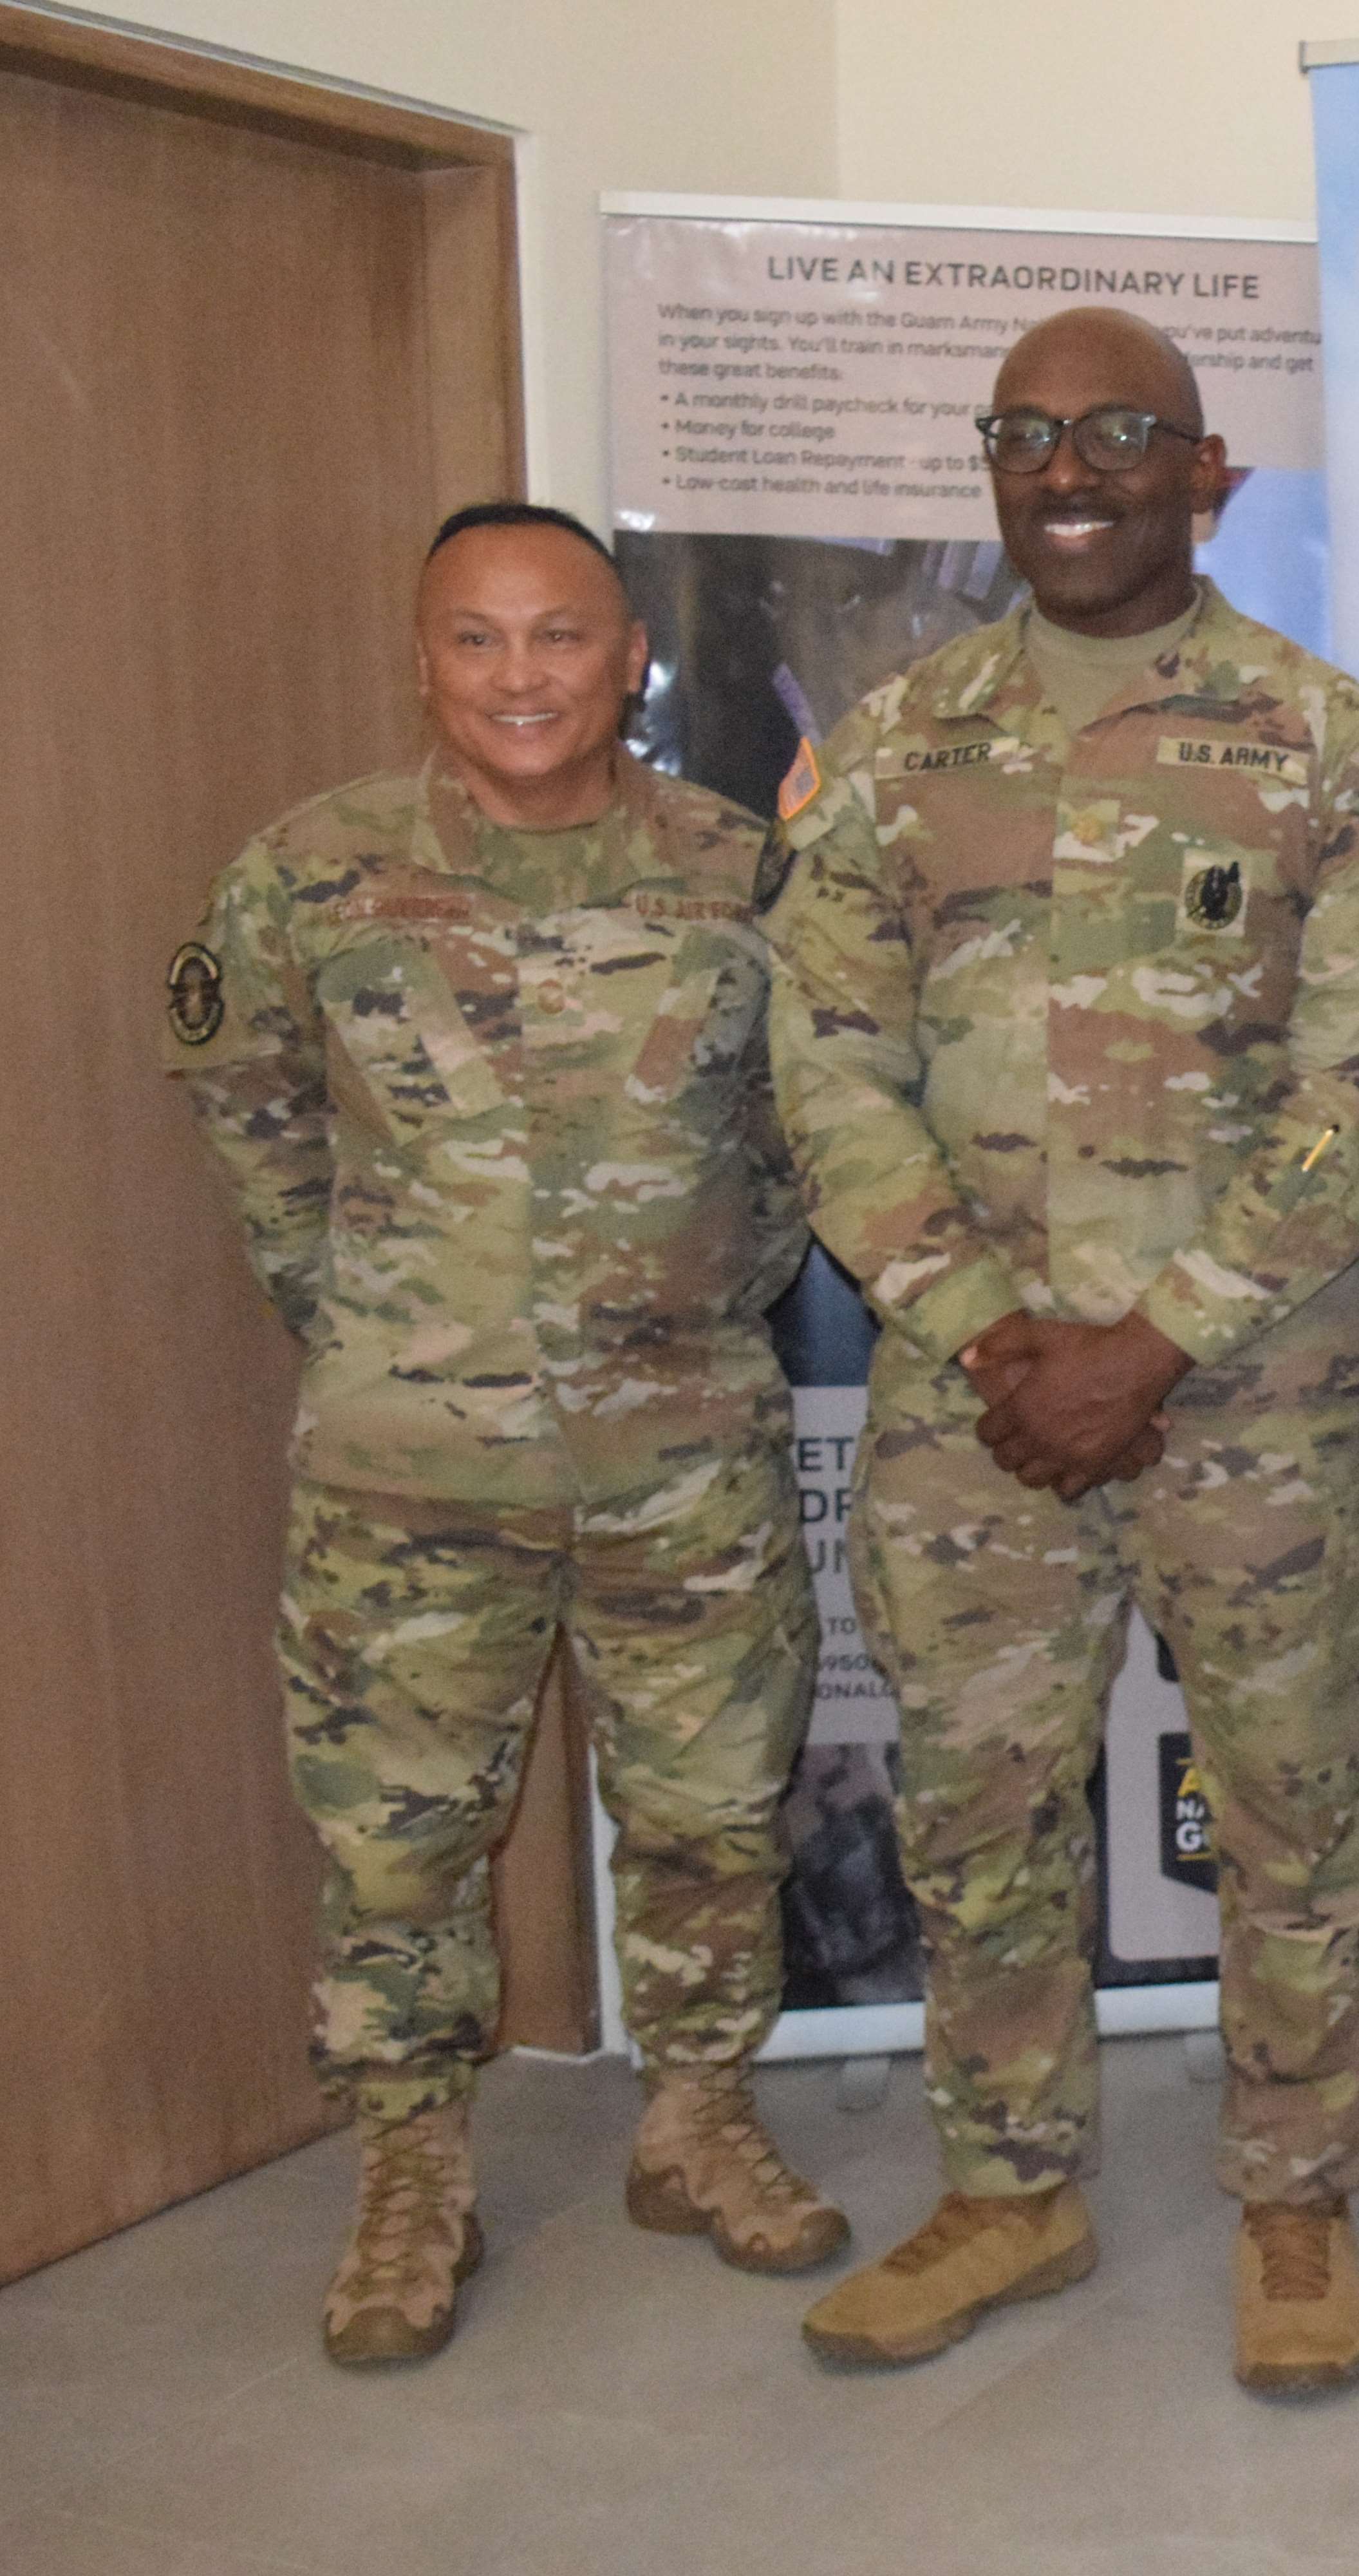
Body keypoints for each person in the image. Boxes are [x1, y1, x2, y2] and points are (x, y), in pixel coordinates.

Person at [765, 307, 1359, 2389]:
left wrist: (1148, 1346)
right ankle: (1009, 2185)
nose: (1071, 471)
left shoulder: (1335, 751)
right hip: (972, 1402)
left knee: (1292, 1803)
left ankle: (1298, 2197)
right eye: (1032, 437)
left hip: (1257, 1397)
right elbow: (825, 1061)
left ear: (1206, 473)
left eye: (1121, 435)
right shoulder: (897, 751)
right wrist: (988, 1330)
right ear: (996, 470)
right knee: (977, 1807)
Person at [162, 502, 839, 2364]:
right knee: (396, 1847)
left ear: (633, 658)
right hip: (408, 1472)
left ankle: (696, 2123)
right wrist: (382, 1319)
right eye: (477, 638)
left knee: (711, 1813)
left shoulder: (741, 873)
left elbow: (806, 1143)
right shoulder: (313, 874)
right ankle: (413, 2179)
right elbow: (252, 1114)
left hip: (682, 1450)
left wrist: (684, 1306)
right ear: (426, 658)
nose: (521, 675)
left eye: (561, 638)